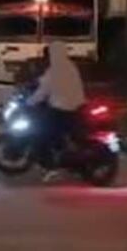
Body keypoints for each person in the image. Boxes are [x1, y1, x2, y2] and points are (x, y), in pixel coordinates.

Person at [26, 41, 86, 182]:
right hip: (75, 108)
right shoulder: (70, 66)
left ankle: (51, 167)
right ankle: (64, 154)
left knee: (40, 134)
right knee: (53, 132)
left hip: (62, 109)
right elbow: (46, 81)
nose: (46, 58)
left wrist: (29, 102)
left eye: (48, 55)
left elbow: (43, 90)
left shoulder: (56, 69)